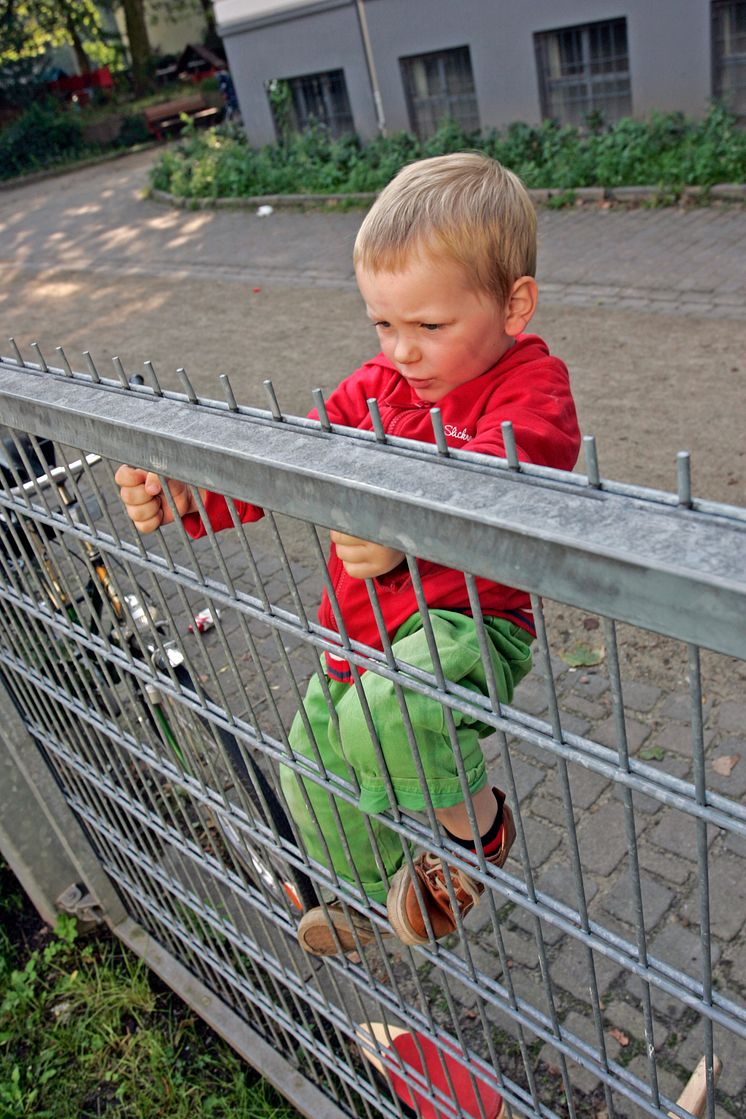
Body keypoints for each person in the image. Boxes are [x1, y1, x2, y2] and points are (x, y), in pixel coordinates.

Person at [114, 152, 581, 957]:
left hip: (467, 626)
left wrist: (411, 529)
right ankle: (383, 898)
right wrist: (192, 492)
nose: (402, 350)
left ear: (515, 305)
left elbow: (529, 467)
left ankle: (478, 839)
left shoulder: (528, 388)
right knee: (307, 774)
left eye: (429, 326)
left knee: (388, 714)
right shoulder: (376, 387)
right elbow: (293, 461)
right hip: (356, 639)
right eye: (384, 324)